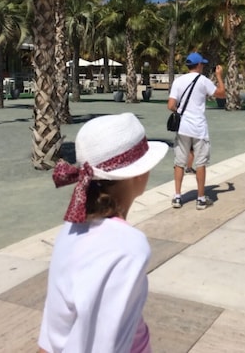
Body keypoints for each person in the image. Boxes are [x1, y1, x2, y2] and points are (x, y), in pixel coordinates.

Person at [40, 113, 170, 353]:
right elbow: (109, 342)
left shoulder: (70, 228)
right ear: (138, 174)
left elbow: (53, 329)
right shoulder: (129, 246)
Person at [167, 52, 225, 210]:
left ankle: (177, 197)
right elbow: (221, 93)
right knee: (200, 164)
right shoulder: (204, 81)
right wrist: (219, 75)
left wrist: (180, 111)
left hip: (182, 128)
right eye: (203, 64)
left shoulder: (178, 81)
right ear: (198, 65)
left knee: (179, 163)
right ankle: (200, 199)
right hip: (199, 128)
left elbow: (170, 105)